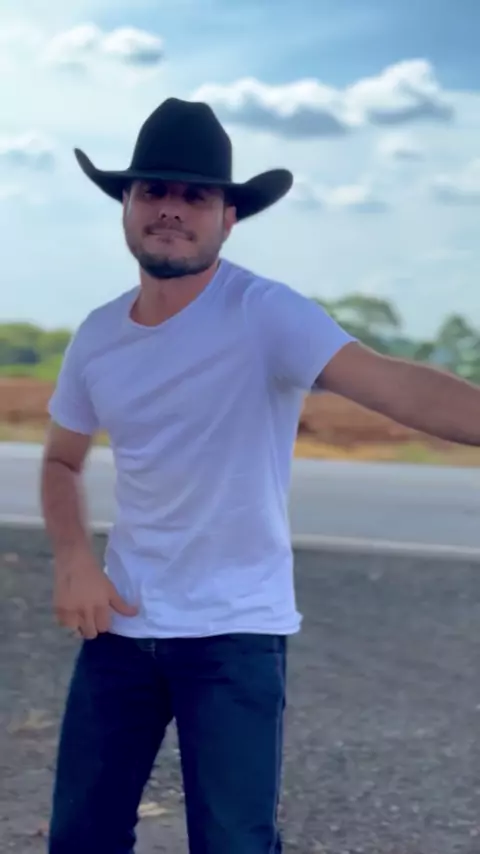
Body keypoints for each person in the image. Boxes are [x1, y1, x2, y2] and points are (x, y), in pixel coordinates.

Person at [41, 97, 480, 854]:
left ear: (228, 217)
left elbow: (396, 385)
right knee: (81, 838)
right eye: (154, 191)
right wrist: (74, 559)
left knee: (235, 844)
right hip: (120, 627)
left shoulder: (265, 313)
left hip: (235, 633)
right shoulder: (98, 335)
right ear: (127, 205)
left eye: (195, 196)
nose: (171, 208)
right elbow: (59, 459)